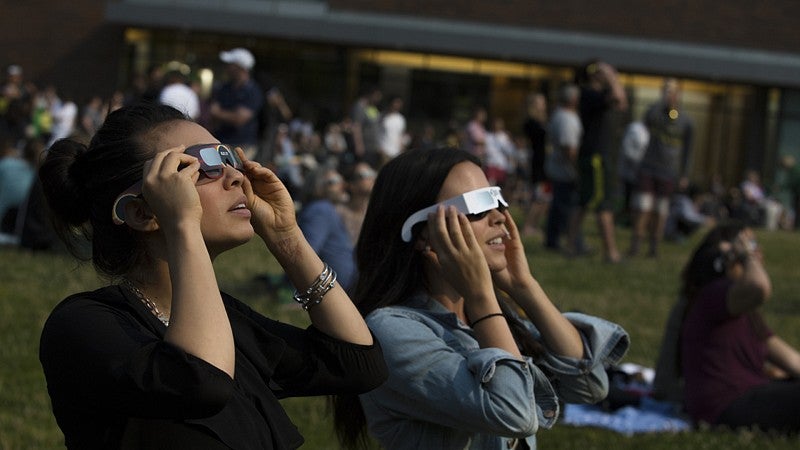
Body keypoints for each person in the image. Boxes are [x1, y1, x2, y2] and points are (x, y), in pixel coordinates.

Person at [37, 102, 386, 449]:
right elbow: (202, 381)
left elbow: (357, 363)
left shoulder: (227, 323)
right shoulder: (81, 325)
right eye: (200, 164)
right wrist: (182, 224)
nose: (237, 175)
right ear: (142, 211)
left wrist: (287, 238)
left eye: (228, 157)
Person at [332, 147, 629, 450]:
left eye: (497, 198)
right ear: (422, 234)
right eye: (477, 206)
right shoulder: (391, 331)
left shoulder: (482, 319)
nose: (500, 216)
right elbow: (514, 413)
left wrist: (524, 287)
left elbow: (590, 384)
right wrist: (481, 295)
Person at [669, 222, 800, 433]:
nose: (757, 252)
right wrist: (746, 256)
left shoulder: (742, 312)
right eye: (748, 245)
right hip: (727, 406)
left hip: (750, 394)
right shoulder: (713, 294)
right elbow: (759, 287)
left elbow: (793, 361)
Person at [629, 78, 693, 258]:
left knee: (661, 210)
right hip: (648, 168)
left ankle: (654, 247)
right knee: (643, 207)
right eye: (666, 90)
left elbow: (689, 150)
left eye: (673, 91)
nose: (670, 94)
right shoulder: (655, 112)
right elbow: (647, 120)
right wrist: (662, 102)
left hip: (668, 171)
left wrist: (684, 174)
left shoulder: (686, 120)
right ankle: (636, 244)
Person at [573, 60, 627, 263]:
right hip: (595, 156)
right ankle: (611, 252)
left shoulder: (594, 95)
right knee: (602, 203)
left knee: (584, 201)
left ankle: (571, 245)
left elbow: (622, 104)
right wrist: (612, 77)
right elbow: (619, 98)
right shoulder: (590, 94)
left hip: (596, 154)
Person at [297, 165, 357, 292]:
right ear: (318, 186)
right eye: (334, 181)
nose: (342, 185)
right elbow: (306, 255)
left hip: (339, 285)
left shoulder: (324, 208)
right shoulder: (320, 209)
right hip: (337, 288)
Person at [544, 84, 582, 253]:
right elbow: (569, 148)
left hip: (558, 168)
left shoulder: (558, 115)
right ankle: (572, 240)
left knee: (558, 206)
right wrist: (576, 169)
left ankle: (552, 239)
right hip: (565, 170)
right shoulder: (567, 118)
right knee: (567, 207)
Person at [209, 48, 264, 160]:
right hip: (221, 143)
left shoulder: (253, 91)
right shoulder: (224, 88)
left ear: (240, 67)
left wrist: (218, 113)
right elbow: (213, 112)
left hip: (243, 146)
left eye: (230, 64)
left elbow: (239, 119)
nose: (227, 67)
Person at [522, 93, 550, 238]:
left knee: (544, 198)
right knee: (538, 198)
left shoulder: (542, 121)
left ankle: (533, 225)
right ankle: (528, 226)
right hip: (539, 165)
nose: (543, 105)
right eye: (540, 102)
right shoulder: (532, 123)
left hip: (545, 164)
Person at [336, 162, 376, 244]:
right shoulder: (338, 212)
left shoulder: (376, 211)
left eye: (372, 173)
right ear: (352, 185)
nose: (371, 178)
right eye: (365, 175)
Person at [350, 86, 382, 168]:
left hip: (373, 147)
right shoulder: (360, 106)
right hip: (365, 146)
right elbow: (356, 127)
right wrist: (359, 145)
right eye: (377, 96)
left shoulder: (372, 107)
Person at [378, 95, 407, 166]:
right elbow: (377, 133)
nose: (397, 105)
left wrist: (402, 150)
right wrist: (379, 148)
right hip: (384, 151)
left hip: (396, 153)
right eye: (396, 102)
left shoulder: (401, 119)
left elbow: (401, 135)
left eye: (399, 103)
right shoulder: (382, 116)